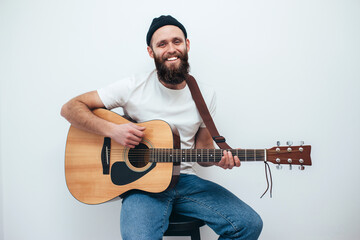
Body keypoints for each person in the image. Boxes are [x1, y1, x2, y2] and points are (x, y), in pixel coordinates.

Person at [61, 15, 263, 240]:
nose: (171, 49)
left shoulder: (205, 95)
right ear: (151, 52)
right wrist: (113, 130)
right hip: (142, 188)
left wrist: (219, 159)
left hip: (186, 181)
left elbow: (202, 152)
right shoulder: (132, 87)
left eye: (176, 41)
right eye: (162, 44)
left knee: (248, 224)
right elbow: (70, 108)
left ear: (187, 45)